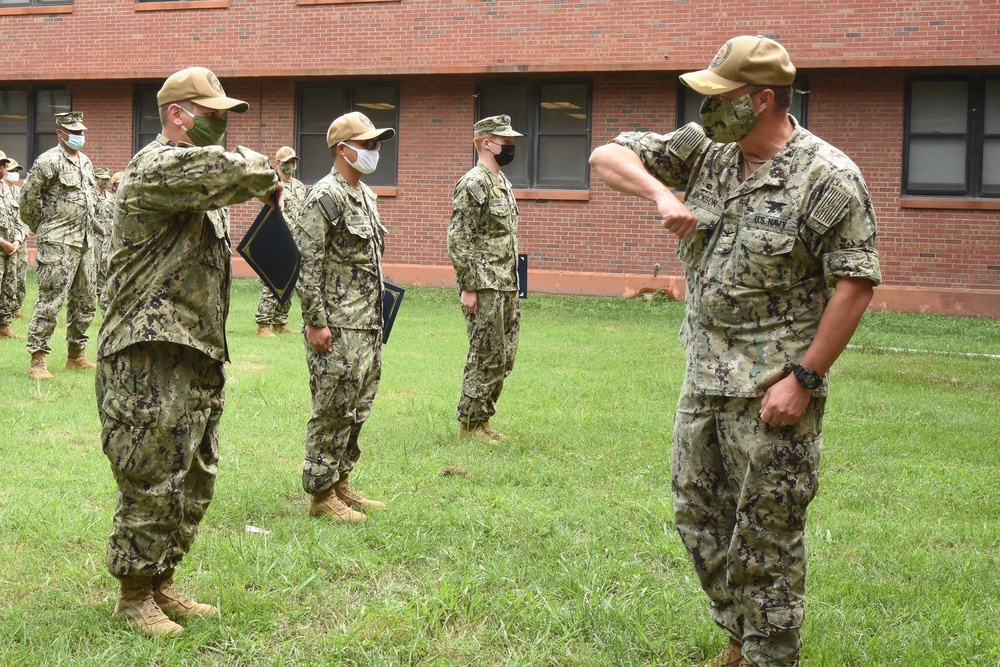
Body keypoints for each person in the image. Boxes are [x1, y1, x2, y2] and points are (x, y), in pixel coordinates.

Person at [589, 36, 881, 667]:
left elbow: (854, 284)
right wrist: (661, 194)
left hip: (773, 391)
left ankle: (769, 653)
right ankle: (740, 636)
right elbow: (604, 155)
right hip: (705, 377)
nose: (707, 105)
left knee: (767, 535)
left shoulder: (827, 177)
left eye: (721, 96)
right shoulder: (708, 153)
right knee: (699, 515)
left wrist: (805, 376)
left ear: (763, 100)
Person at [95, 66, 283, 638]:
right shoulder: (156, 168)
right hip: (148, 351)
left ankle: (161, 581)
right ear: (178, 113)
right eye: (215, 114)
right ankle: (133, 597)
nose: (223, 124)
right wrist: (267, 171)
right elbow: (236, 169)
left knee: (194, 475)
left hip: (196, 348)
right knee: (152, 475)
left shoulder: (196, 181)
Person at [295, 111, 394, 524]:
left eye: (376, 144)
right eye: (367, 144)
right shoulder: (325, 197)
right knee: (332, 407)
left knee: (358, 407)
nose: (374, 151)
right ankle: (320, 494)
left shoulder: (365, 195)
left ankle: (340, 481)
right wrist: (316, 322)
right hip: (336, 325)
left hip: (368, 323)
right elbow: (306, 264)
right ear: (343, 149)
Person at [446, 115, 523, 441]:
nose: (510, 146)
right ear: (485, 142)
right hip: (485, 283)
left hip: (506, 281)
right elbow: (459, 238)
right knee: (485, 354)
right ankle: (469, 425)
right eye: (504, 140)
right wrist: (468, 286)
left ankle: (484, 419)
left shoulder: (501, 182)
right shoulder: (473, 183)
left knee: (505, 355)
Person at [19, 111, 99, 380]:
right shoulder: (48, 161)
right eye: (73, 132)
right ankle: (38, 360)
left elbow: (89, 200)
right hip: (58, 242)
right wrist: (44, 228)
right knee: (51, 300)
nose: (79, 136)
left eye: (81, 132)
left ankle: (76, 355)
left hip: (85, 241)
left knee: (87, 300)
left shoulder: (85, 162)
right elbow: (28, 201)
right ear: (60, 133)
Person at [254, 145, 307, 336]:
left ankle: (280, 322)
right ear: (279, 164)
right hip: (277, 239)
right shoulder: (272, 185)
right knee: (272, 282)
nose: (291, 166)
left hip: (295, 242)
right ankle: (263, 324)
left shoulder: (300, 187)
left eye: (293, 162)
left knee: (290, 282)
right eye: (287, 163)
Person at [0, 151, 25, 340]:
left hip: (11, 249)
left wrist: (17, 239)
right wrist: (3, 243)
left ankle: (3, 326)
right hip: (3, 246)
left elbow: (17, 218)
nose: (1, 169)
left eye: (2, 165)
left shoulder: (7, 190)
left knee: (8, 287)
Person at [4, 160, 29, 320]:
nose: (15, 173)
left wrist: (20, 237)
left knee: (19, 276)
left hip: (19, 240)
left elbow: (23, 217)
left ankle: (15, 308)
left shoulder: (18, 192)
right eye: (12, 170)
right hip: (5, 241)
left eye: (17, 170)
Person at [97, 171, 124, 311]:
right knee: (107, 285)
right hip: (110, 248)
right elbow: (111, 229)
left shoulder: (128, 203)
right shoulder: (109, 204)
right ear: (113, 187)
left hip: (123, 249)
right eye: (120, 184)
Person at [92, 167, 114, 312]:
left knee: (105, 271)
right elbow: (90, 217)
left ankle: (104, 304)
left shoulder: (109, 196)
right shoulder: (91, 195)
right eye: (102, 179)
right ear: (96, 179)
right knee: (95, 270)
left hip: (109, 241)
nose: (105, 181)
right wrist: (103, 230)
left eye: (107, 179)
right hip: (96, 239)